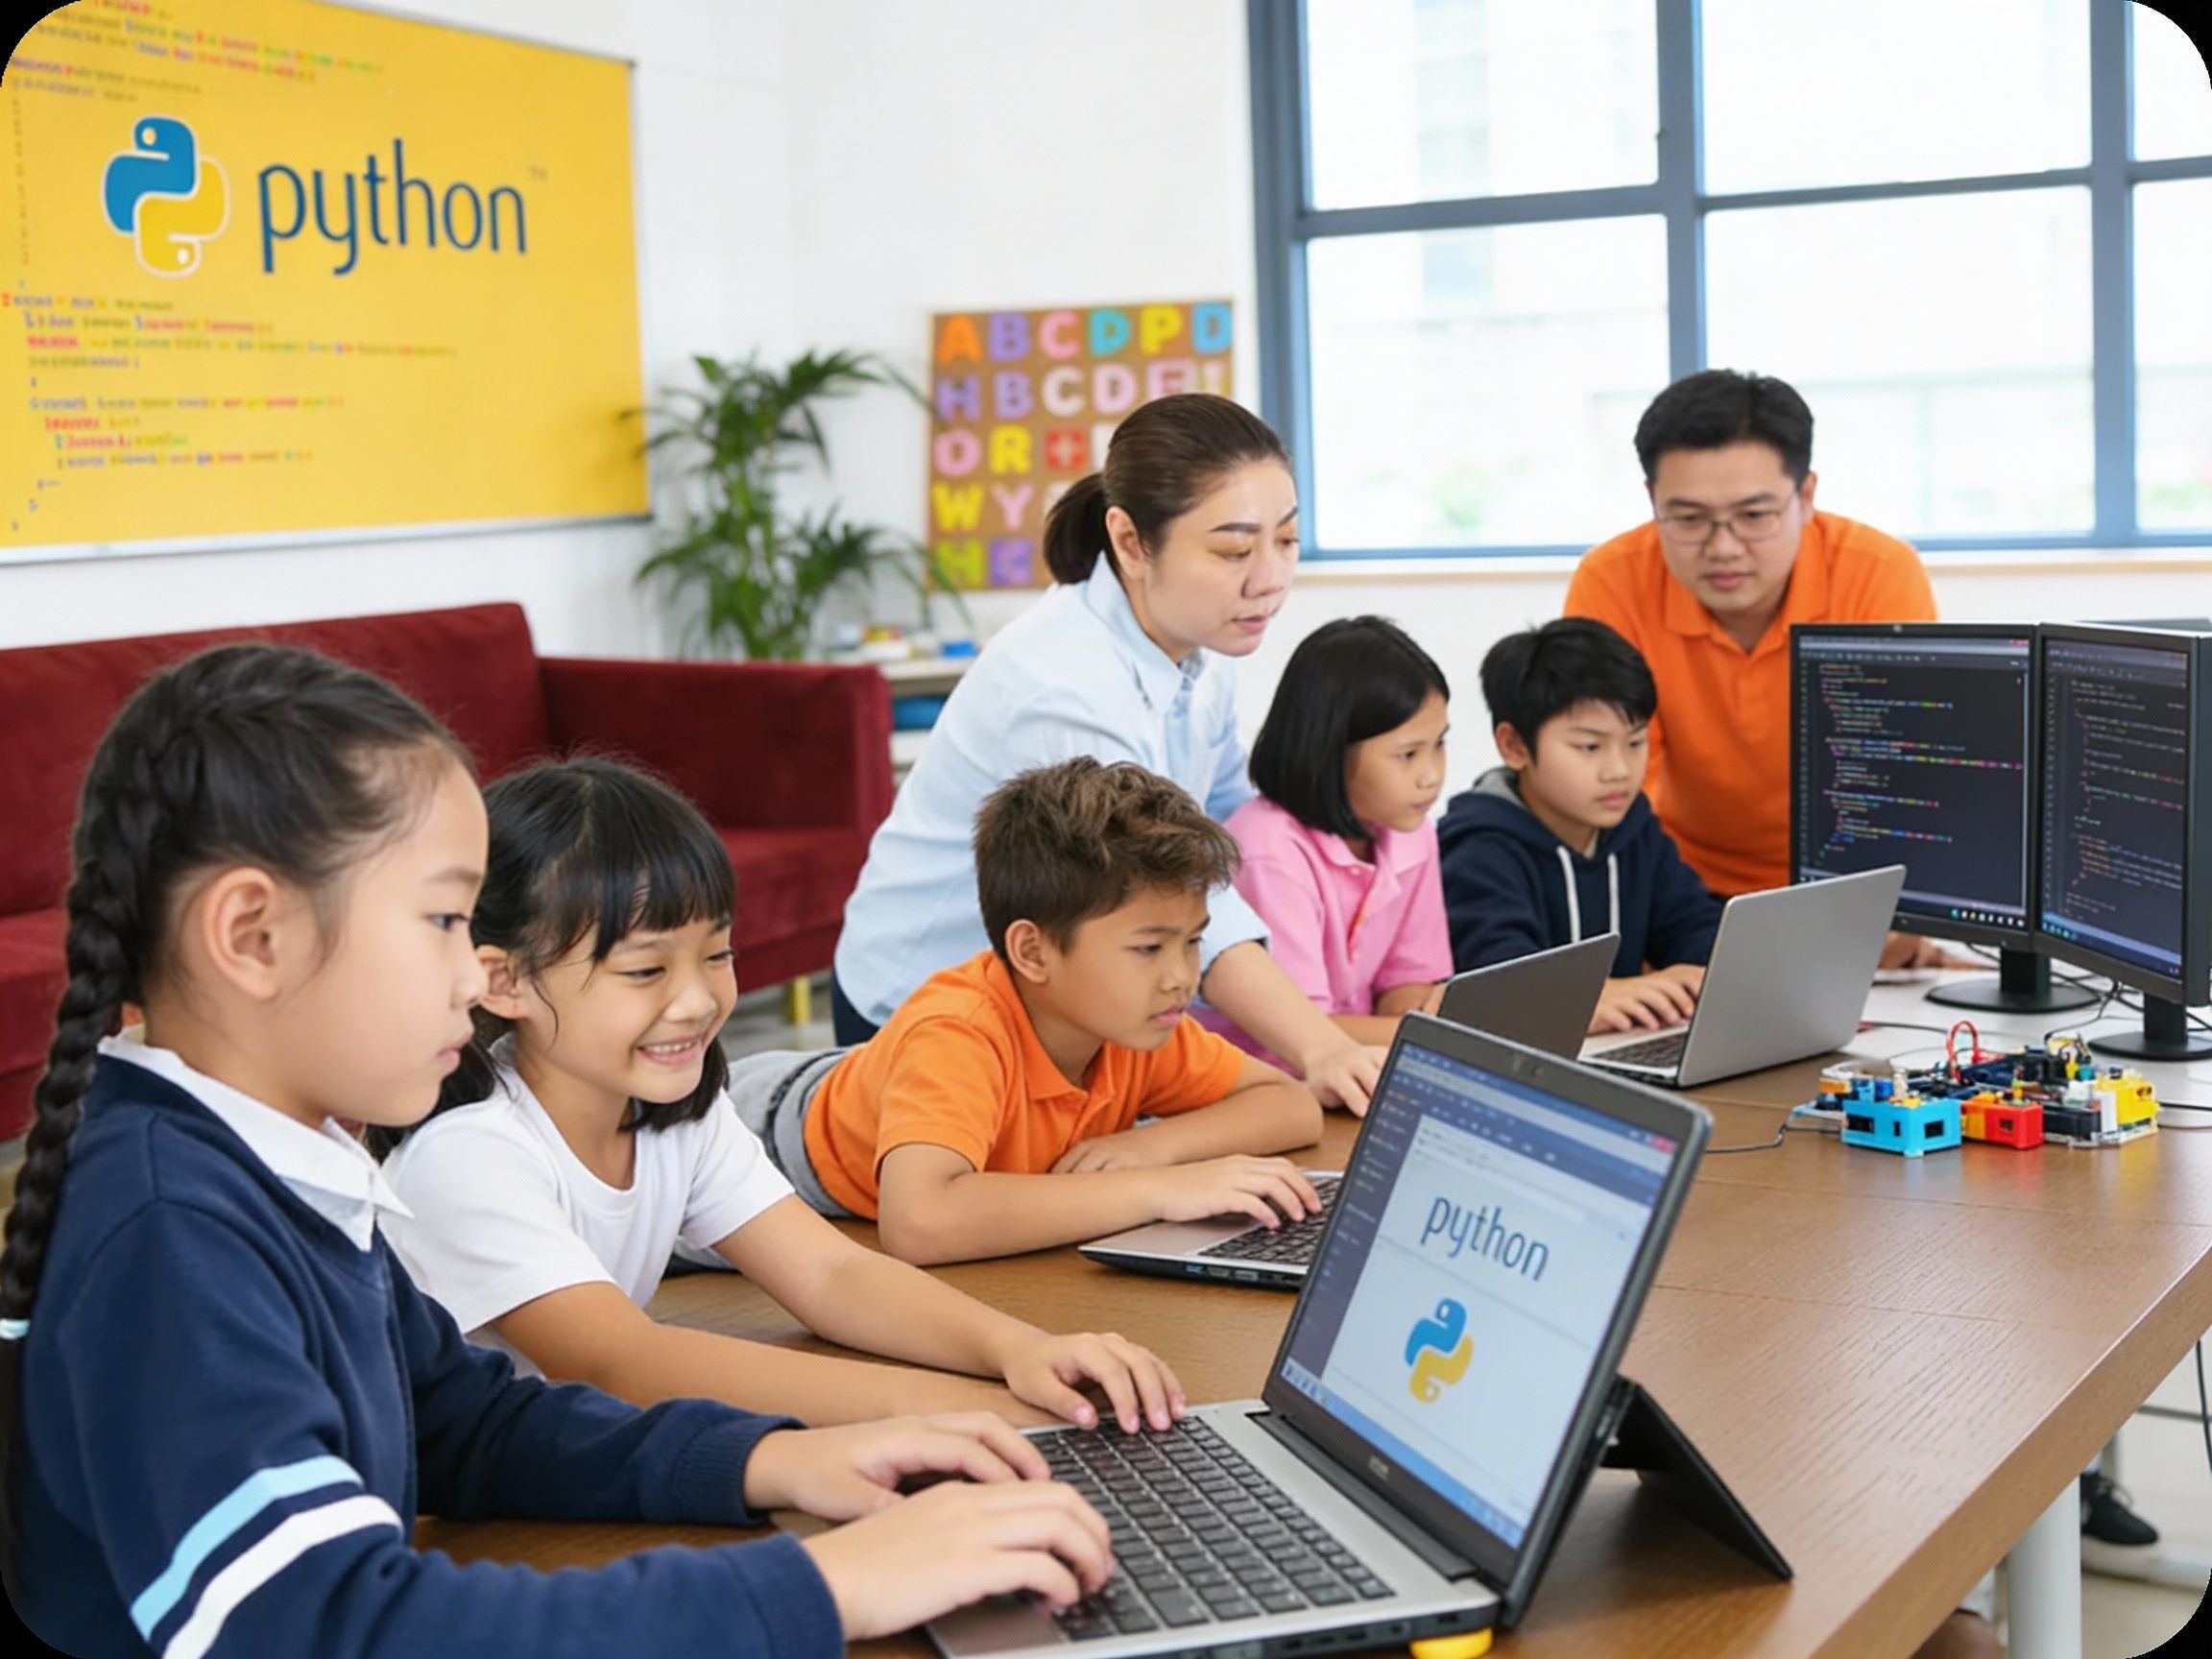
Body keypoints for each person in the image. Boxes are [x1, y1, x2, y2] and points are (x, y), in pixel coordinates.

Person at [0, 646, 1111, 1658]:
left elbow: (472, 1423)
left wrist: (773, 1459)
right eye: (443, 922)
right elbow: (325, 1626)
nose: (467, 974)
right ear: (253, 938)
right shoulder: (170, 1232)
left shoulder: (282, 1167)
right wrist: (820, 1585)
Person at [376, 757, 1185, 1431]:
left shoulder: (670, 1112)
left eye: (717, 956)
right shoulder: (467, 1155)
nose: (696, 1001)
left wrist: (1021, 1352)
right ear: (505, 978)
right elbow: (624, 1360)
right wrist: (956, 1409)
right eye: (647, 970)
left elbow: (831, 1274)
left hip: (578, 1446)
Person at [832, 393, 1384, 1112]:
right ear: (1130, 541)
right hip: (920, 1008)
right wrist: (1319, 1045)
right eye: (1233, 550)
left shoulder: (1204, 640)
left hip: (1072, 993)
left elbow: (1226, 821)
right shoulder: (1064, 688)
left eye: (1286, 540)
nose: (1271, 578)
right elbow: (1167, 893)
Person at [735, 758, 1325, 1264]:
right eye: (1149, 948)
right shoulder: (961, 1034)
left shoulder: (1134, 1019)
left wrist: (1149, 1148)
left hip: (875, 1084)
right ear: (1032, 952)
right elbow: (919, 1222)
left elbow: (1290, 1106)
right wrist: (1159, 1188)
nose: (1181, 977)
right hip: (754, 1138)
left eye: (1193, 941)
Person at [1562, 370, 1954, 970]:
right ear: (1651, 500)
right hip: (1680, 892)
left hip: (1837, 897)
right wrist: (1653, 933)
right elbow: (1612, 787)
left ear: (1806, 495)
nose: (1722, 547)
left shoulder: (1877, 574)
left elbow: (1892, 782)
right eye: (1688, 519)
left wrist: (1887, 920)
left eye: (1754, 515)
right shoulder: (1612, 581)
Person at [1438, 618, 1721, 1034]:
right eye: (1589, 747)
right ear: (1514, 746)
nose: (1620, 771)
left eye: (1635, 742)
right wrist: (1600, 995)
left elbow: (1694, 927)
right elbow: (1500, 986)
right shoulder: (1479, 848)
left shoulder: (1635, 831)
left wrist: (1705, 974)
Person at [1203, 616, 1453, 1055]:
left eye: (1440, 745)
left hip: (1358, 1062)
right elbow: (1305, 1032)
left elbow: (1406, 979)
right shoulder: (1268, 849)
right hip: (1272, 1074)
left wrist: (1424, 1013)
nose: (1431, 775)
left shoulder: (1414, 834)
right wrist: (1452, 1042)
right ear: (1330, 750)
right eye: (1407, 754)